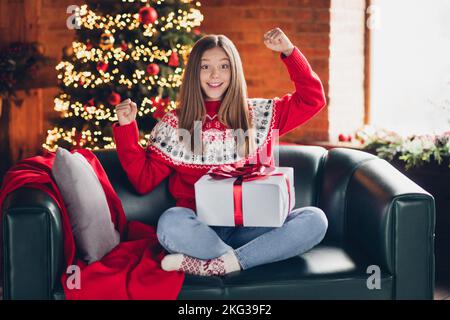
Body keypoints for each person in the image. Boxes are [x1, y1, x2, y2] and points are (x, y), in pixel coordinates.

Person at [113, 28, 328, 277]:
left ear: (234, 71)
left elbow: (312, 100)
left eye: (224, 66)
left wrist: (289, 53)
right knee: (171, 222)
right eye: (205, 67)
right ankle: (246, 258)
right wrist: (127, 128)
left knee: (315, 219)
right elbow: (143, 180)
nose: (215, 74)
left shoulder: (261, 114)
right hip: (200, 229)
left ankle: (223, 264)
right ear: (194, 72)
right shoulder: (174, 123)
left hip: (255, 226)